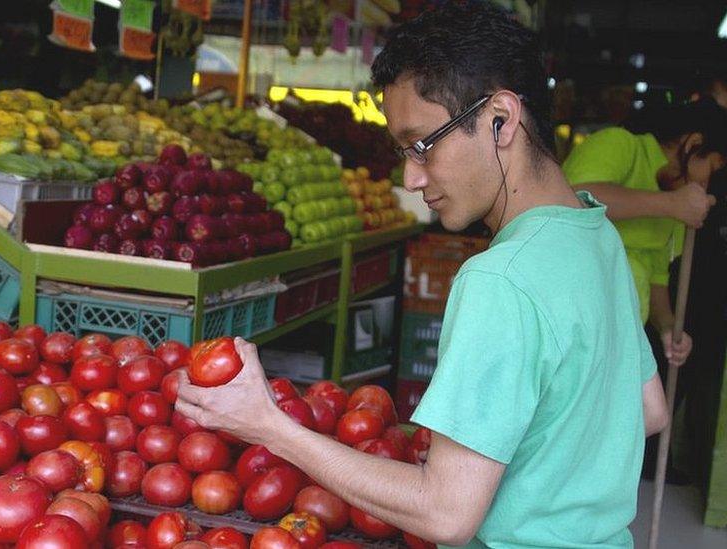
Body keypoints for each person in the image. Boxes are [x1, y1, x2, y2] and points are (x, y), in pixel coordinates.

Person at [175, 3, 668, 547]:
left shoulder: (499, 279)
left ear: (500, 120)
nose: (411, 177)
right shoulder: (599, 237)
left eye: (421, 146)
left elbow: (445, 515)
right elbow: (647, 409)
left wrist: (267, 425)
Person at [563, 99, 727, 368]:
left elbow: (656, 278)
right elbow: (577, 198)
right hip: (571, 328)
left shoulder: (675, 202)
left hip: (619, 345)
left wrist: (668, 327)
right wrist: (672, 204)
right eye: (713, 167)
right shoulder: (622, 144)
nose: (708, 184)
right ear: (694, 142)